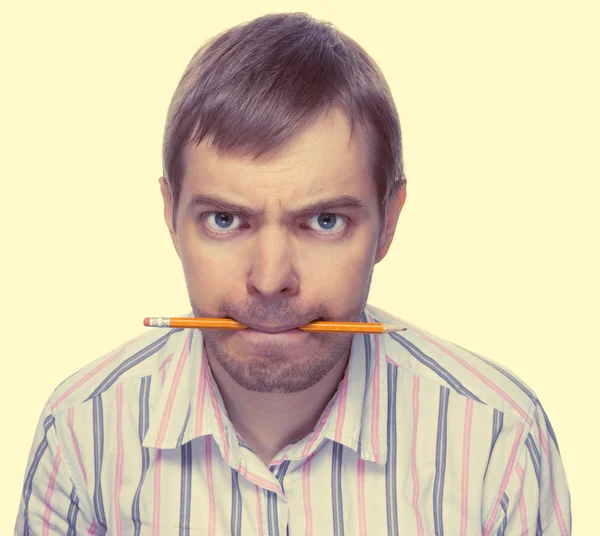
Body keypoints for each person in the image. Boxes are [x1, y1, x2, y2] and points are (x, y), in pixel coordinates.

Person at [14, 11, 571, 536]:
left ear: (389, 222)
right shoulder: (79, 435)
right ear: (170, 215)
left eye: (325, 221)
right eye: (226, 219)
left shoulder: (499, 441)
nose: (271, 278)